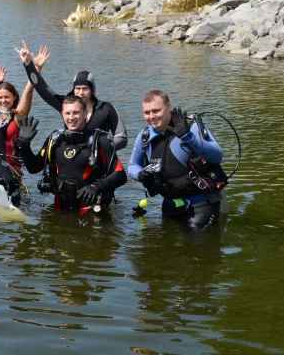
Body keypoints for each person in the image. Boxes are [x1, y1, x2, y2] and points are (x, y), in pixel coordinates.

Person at [127, 90, 226, 227]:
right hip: (170, 205)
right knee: (167, 247)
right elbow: (132, 165)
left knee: (197, 245)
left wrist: (188, 137)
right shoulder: (144, 135)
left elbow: (217, 156)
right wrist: (140, 174)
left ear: (168, 106)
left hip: (201, 204)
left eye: (156, 110)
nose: (151, 116)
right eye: (147, 112)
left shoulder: (190, 128)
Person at [17, 94, 126, 214]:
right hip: (60, 207)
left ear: (85, 113)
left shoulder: (100, 141)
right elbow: (34, 167)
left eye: (76, 113)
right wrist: (24, 146)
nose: (71, 117)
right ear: (62, 114)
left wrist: (97, 186)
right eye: (67, 113)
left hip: (89, 209)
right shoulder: (55, 139)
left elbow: (120, 175)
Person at [17, 40, 128, 149]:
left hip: (97, 161)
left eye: (85, 88)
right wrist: (29, 64)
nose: (81, 92)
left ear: (93, 89)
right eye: (77, 88)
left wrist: (102, 148)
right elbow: (42, 88)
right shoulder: (66, 104)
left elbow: (122, 137)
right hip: (71, 157)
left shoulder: (106, 109)